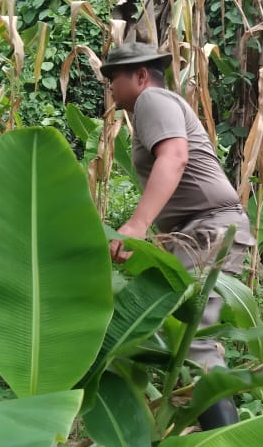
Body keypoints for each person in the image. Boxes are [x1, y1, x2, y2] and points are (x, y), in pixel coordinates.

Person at [101, 42, 254, 429]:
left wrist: (135, 226)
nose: (109, 87)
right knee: (178, 336)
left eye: (113, 78)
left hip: (210, 228)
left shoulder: (153, 99)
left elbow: (174, 157)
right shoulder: (152, 108)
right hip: (195, 232)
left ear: (139, 76)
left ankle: (225, 439)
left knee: (194, 341)